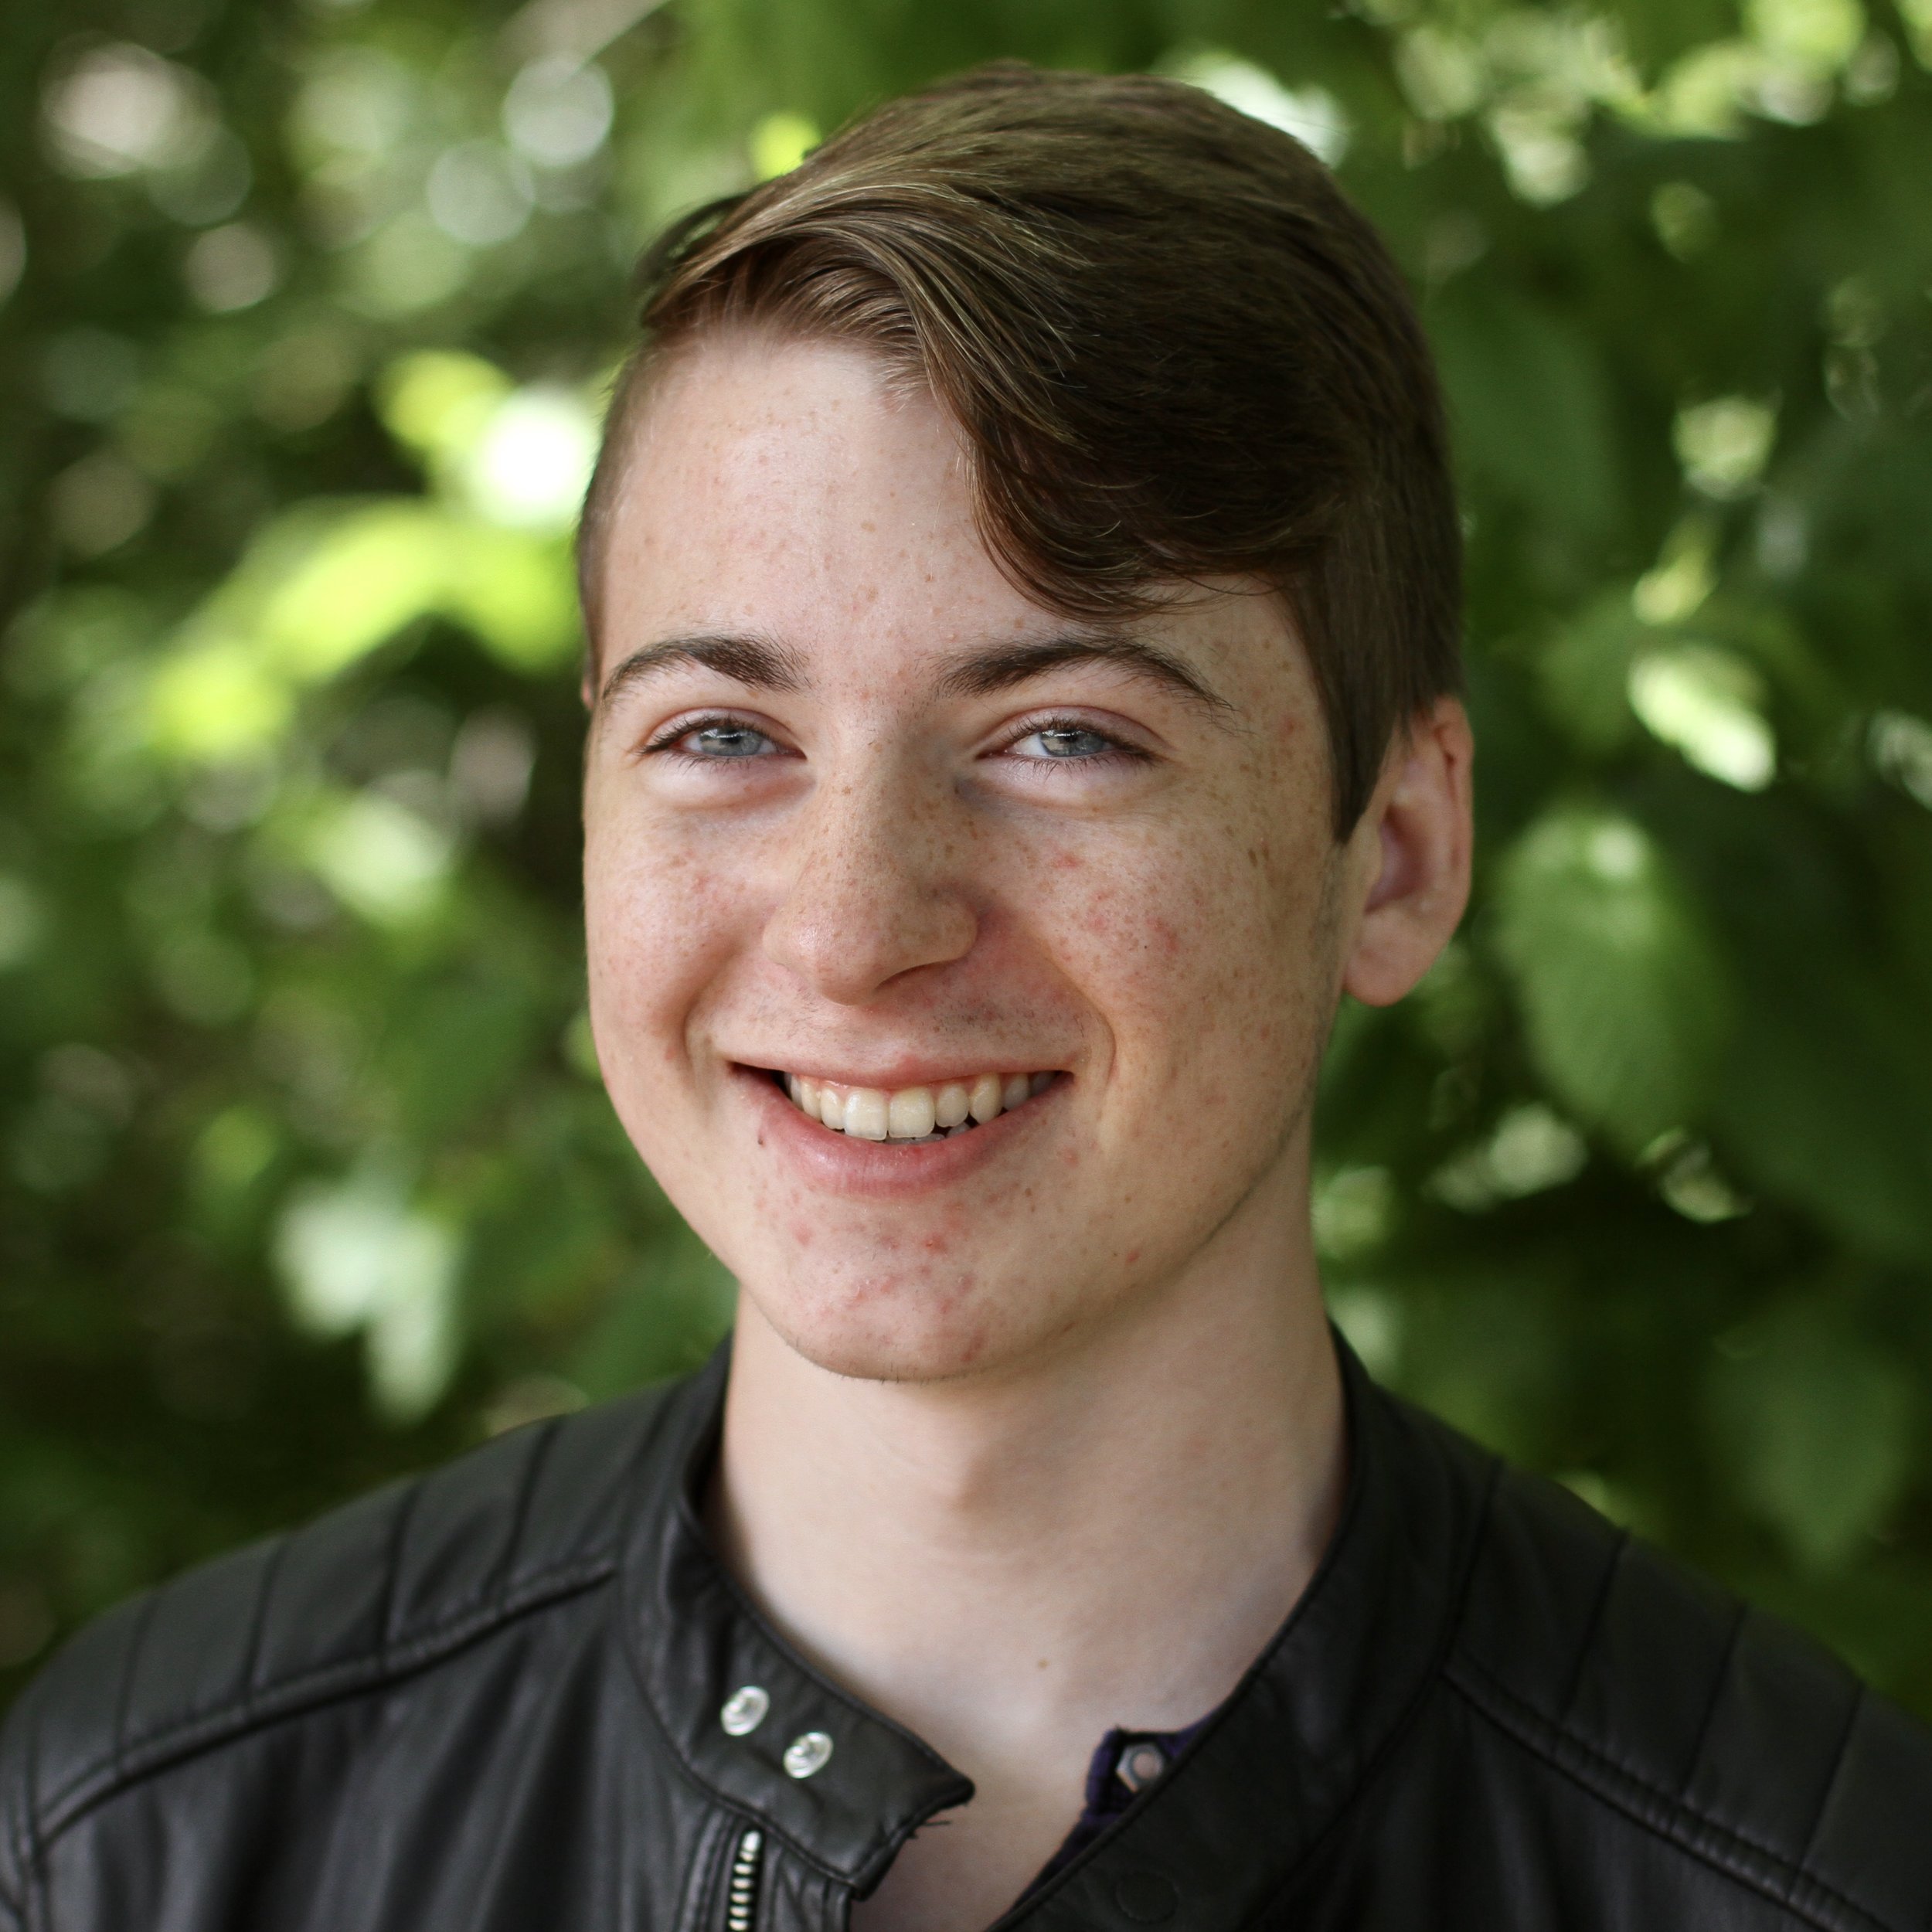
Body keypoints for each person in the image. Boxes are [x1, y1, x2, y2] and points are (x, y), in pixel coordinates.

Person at [4, 60, 1929, 1932]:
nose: (854, 930)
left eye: (1062, 735)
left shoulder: (1806, 1881)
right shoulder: (143, 1835)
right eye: (724, 730)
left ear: (1397, 853)